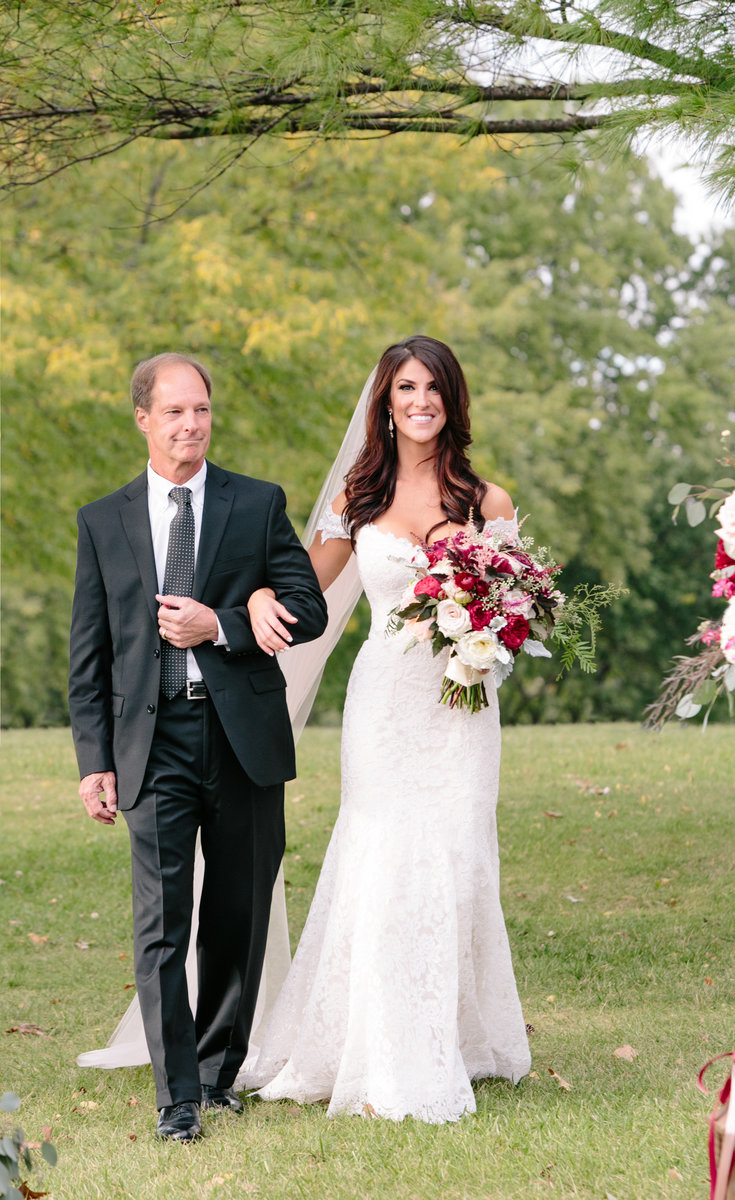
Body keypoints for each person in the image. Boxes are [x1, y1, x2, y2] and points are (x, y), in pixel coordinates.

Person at [239, 335, 532, 1122]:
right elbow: (303, 589)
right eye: (406, 387)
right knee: (384, 853)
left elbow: (516, 615)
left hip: (461, 709)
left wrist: (488, 637)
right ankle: (371, 1043)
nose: (420, 400)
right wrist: (261, 600)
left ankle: (452, 1039)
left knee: (456, 857)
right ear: (387, 402)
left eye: (433, 387)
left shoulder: (486, 503)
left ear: (453, 400)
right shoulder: (357, 499)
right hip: (383, 705)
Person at [68, 352, 327, 1142]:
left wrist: (221, 625)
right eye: (175, 411)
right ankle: (176, 1098)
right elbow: (89, 653)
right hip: (152, 743)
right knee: (161, 922)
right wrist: (94, 761)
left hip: (240, 734)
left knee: (238, 916)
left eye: (202, 410)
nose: (191, 425)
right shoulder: (103, 520)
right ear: (143, 418)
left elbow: (308, 608)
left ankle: (219, 1075)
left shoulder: (256, 504)